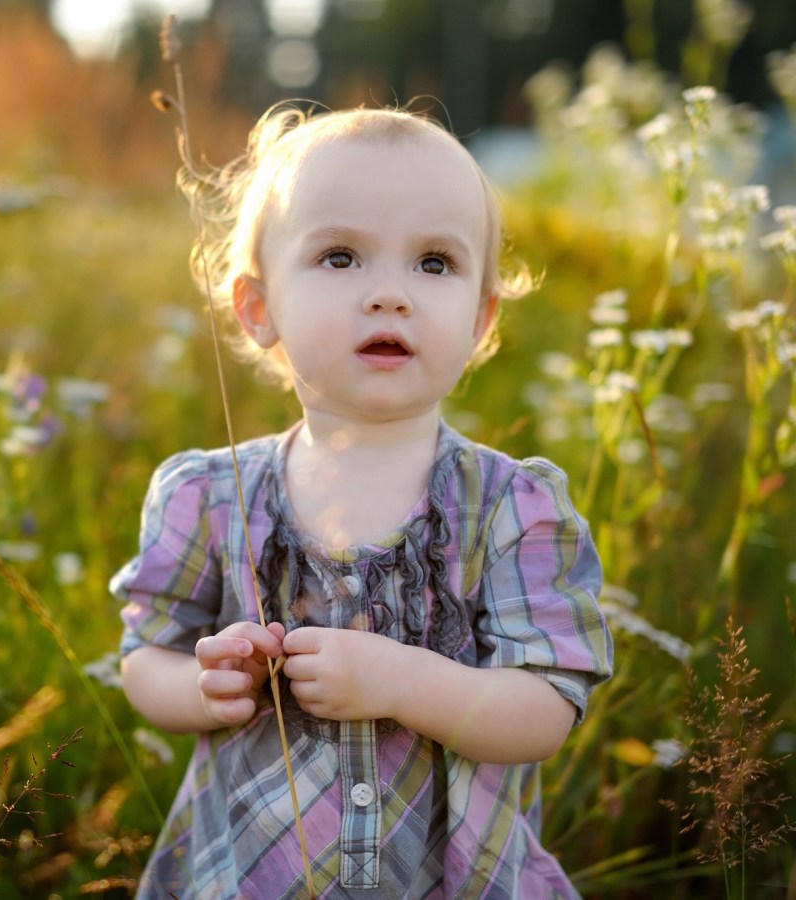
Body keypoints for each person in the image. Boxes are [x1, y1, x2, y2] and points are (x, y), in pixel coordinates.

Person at [110, 104, 614, 899]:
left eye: (435, 264)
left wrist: (403, 682)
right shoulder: (210, 496)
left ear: (481, 321)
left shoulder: (513, 508)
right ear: (258, 307)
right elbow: (144, 659)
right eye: (341, 257)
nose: (390, 294)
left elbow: (545, 711)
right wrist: (206, 689)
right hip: (248, 872)